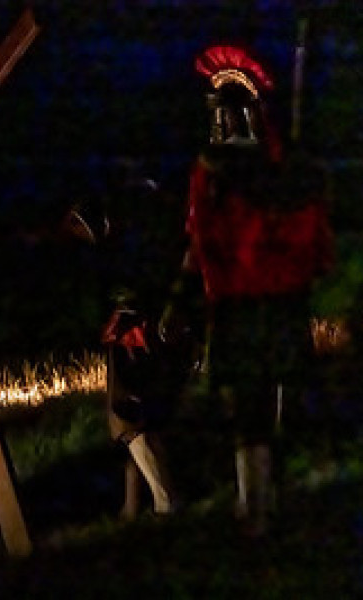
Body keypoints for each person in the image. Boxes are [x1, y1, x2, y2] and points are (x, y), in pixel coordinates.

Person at [160, 45, 334, 537]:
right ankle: (257, 508)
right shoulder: (216, 172)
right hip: (246, 301)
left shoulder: (282, 167)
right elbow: (201, 241)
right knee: (252, 405)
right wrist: (181, 297)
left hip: (265, 300)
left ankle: (262, 506)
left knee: (260, 405)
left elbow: (306, 229)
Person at [100, 174, 198, 519]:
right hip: (149, 325)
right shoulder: (161, 224)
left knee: (129, 414)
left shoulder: (143, 232)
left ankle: (166, 501)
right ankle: (136, 506)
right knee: (143, 415)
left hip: (141, 330)